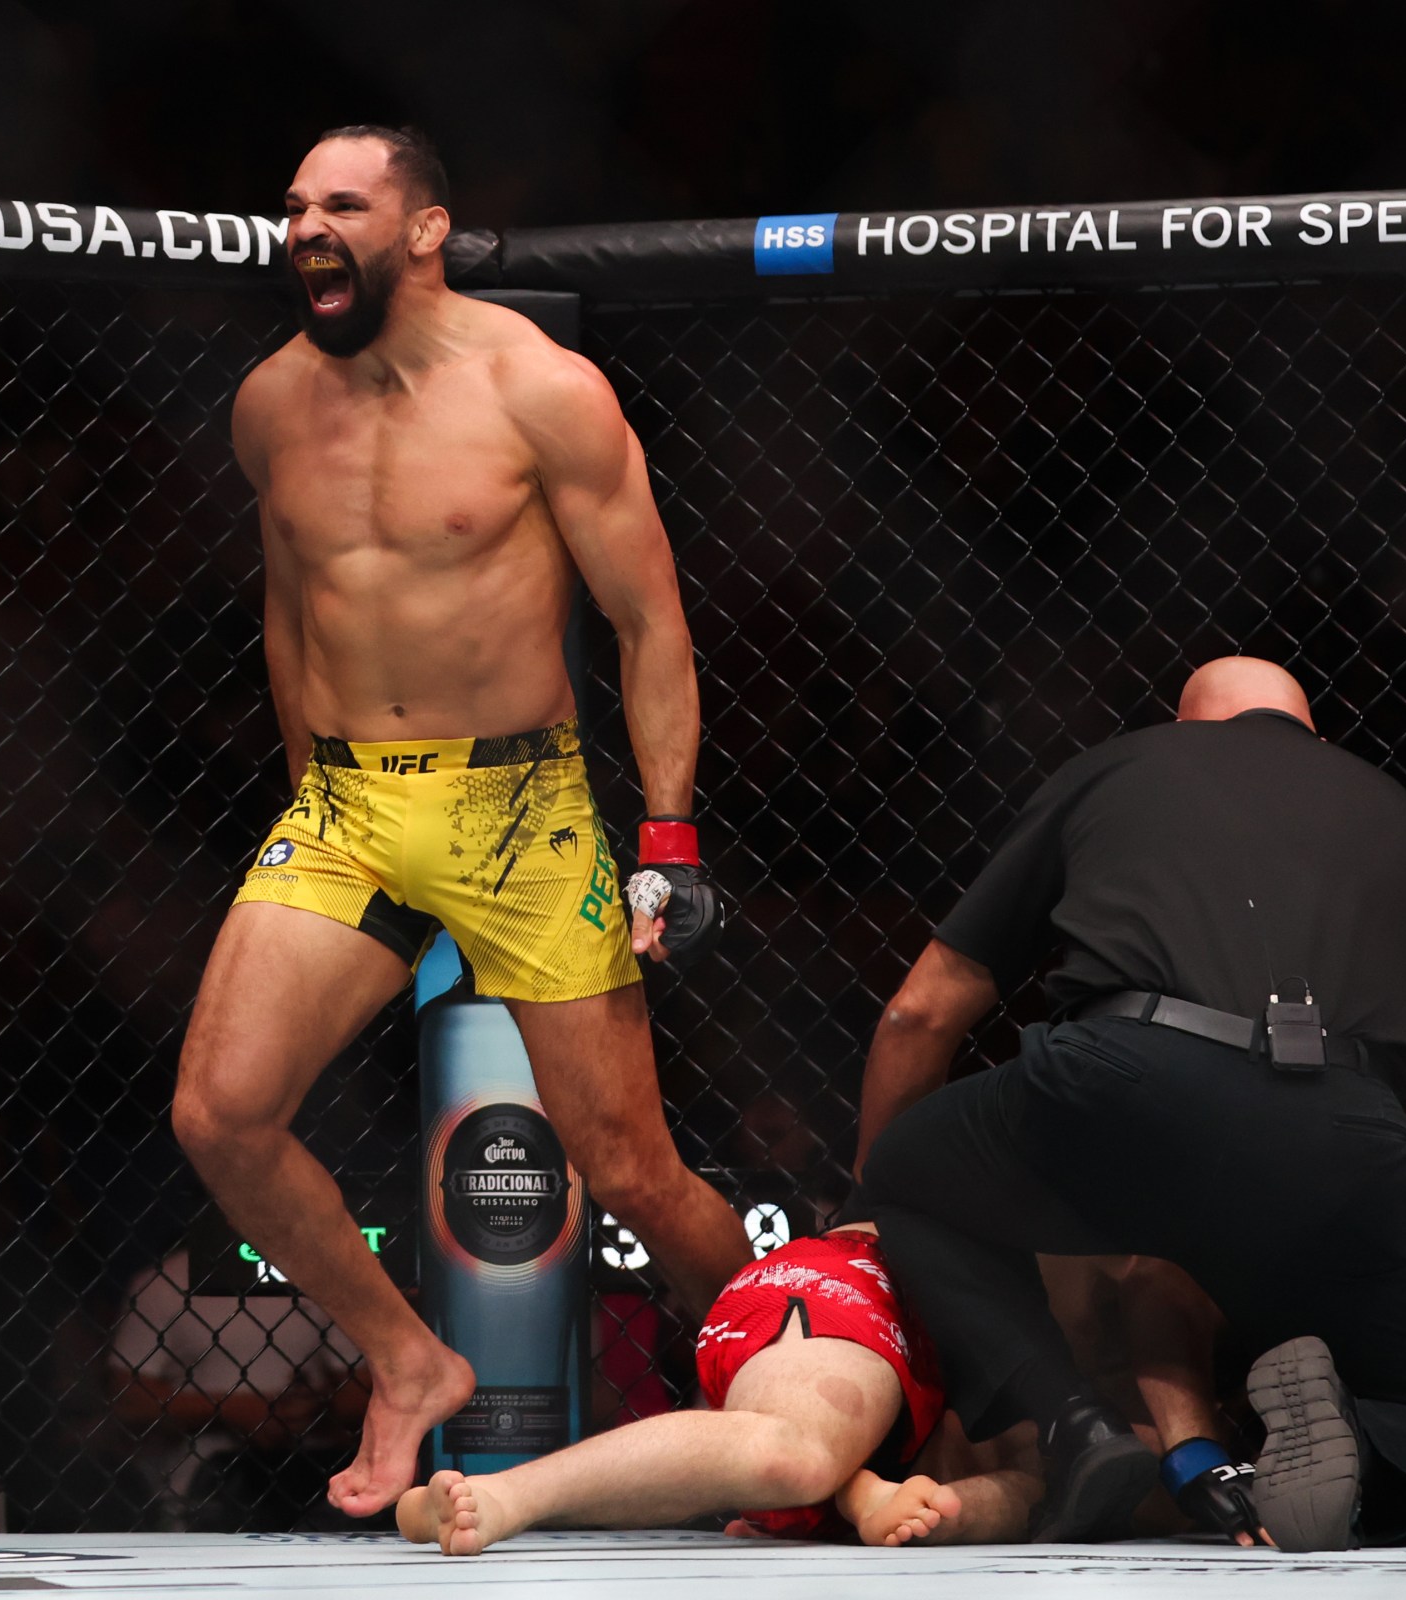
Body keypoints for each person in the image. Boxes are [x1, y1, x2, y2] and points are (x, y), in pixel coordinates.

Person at [172, 122, 753, 1516]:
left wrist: (669, 839)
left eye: (342, 203)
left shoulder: (538, 389)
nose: (306, 227)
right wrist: (307, 788)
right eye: (294, 204)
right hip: (350, 801)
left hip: (517, 804)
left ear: (425, 230)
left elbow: (648, 622)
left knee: (628, 1168)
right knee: (221, 1115)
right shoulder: (270, 403)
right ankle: (410, 1359)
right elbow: (290, 609)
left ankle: (795, 1362)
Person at [847, 657, 1406, 1551]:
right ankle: (1365, 1442)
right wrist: (1344, 1237)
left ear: (1186, 728)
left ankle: (1074, 1426)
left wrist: (872, 1209)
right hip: (1343, 1132)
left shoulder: (1122, 768)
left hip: (1129, 1084)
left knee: (907, 1181)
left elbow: (920, 1012)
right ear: (1313, 735)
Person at [395, 1221, 1040, 1554]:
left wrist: (939, 1512)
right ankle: (504, 1496)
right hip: (859, 1278)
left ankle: (858, 1496)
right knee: (797, 1455)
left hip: (924, 1385)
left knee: (1055, 1479)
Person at [109, 1247, 367, 1530]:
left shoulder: (320, 1274)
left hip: (316, 1472)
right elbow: (127, 1398)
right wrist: (233, 1409)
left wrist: (318, 1407)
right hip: (201, 1480)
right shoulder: (166, 1282)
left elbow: (363, 1388)